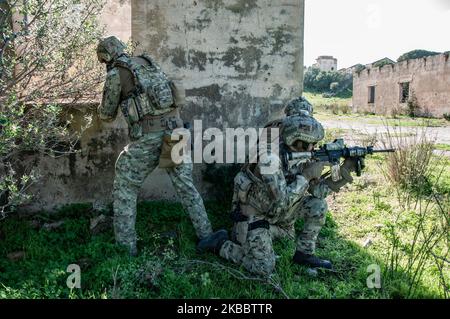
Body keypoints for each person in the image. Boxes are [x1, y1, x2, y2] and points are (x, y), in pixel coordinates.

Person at [197, 113, 360, 276]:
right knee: (263, 268)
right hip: (255, 219)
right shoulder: (269, 158)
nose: (311, 149)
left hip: (276, 217)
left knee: (318, 205)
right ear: (293, 140)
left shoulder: (303, 155)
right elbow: (281, 202)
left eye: (314, 144)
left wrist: (344, 170)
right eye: (307, 144)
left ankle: (304, 254)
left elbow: (318, 192)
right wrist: (306, 176)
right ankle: (220, 243)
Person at [96, 36, 214, 256]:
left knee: (125, 185)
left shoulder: (116, 74)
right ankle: (207, 236)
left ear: (105, 57)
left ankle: (125, 249)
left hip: (150, 136)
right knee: (185, 185)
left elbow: (107, 115)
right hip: (176, 131)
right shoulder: (148, 62)